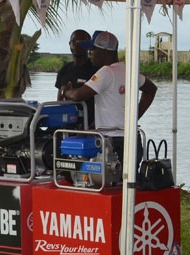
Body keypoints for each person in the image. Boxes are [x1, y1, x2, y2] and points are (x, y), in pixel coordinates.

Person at [63, 30, 157, 164]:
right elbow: (151, 90)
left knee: (108, 182)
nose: (89, 55)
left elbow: (78, 95)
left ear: (104, 51)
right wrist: (134, 116)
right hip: (132, 138)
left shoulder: (106, 72)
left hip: (113, 141)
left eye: (92, 50)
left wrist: (65, 91)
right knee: (127, 183)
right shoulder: (128, 70)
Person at [55, 29, 97, 128]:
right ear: (69, 44)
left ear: (89, 45)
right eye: (74, 41)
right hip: (67, 125)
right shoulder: (64, 70)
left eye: (82, 42)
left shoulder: (96, 70)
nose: (77, 44)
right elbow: (59, 99)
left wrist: (93, 126)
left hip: (91, 127)